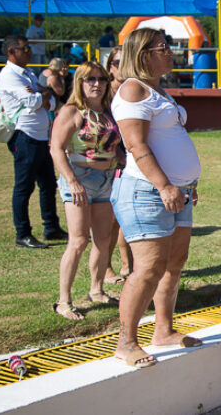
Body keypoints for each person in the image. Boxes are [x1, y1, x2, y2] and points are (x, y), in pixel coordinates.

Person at [110, 28, 202, 368]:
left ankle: (163, 330)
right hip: (147, 192)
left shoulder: (157, 90)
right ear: (144, 53)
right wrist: (165, 185)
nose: (171, 51)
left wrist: (185, 182)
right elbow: (136, 145)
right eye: (164, 47)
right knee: (147, 268)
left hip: (177, 193)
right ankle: (126, 342)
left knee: (173, 264)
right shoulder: (133, 88)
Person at [48, 62, 123, 320]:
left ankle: (97, 289)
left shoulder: (109, 111)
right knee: (78, 241)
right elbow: (56, 148)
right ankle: (64, 301)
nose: (97, 84)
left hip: (106, 179)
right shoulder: (72, 111)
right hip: (79, 177)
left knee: (103, 240)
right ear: (79, 82)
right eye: (89, 79)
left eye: (101, 79)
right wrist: (71, 180)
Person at [0, 34, 67, 249]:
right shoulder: (9, 75)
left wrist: (42, 95)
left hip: (40, 135)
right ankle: (23, 233)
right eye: (25, 49)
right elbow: (34, 101)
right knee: (24, 186)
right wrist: (42, 95)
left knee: (47, 184)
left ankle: (51, 227)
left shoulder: (26, 73)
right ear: (11, 52)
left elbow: (51, 100)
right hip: (24, 135)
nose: (29, 52)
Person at [104, 46, 133, 284]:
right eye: (116, 62)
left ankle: (127, 265)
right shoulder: (103, 94)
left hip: (131, 161)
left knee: (126, 217)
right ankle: (106, 269)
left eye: (126, 61)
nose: (121, 66)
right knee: (109, 220)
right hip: (109, 162)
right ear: (109, 66)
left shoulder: (135, 91)